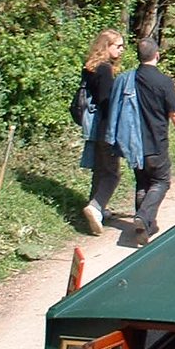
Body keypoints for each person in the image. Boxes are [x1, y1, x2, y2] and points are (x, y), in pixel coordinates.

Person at [127, 38, 175, 246]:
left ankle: (146, 225)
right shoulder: (163, 82)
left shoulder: (129, 80)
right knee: (161, 182)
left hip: (134, 142)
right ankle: (143, 218)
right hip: (156, 142)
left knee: (143, 182)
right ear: (157, 55)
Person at [79, 29, 126, 236]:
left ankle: (98, 206)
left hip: (93, 126)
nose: (122, 50)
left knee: (100, 168)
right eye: (118, 46)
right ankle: (96, 207)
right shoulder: (105, 70)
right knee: (112, 173)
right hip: (105, 126)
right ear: (106, 46)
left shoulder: (90, 67)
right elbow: (107, 101)